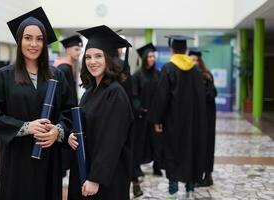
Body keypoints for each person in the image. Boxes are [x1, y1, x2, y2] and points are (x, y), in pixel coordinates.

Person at [0, 7, 73, 200]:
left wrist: (57, 131)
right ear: (19, 41)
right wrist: (26, 127)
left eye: (39, 38)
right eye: (28, 38)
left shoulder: (57, 76)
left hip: (48, 157)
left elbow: (69, 111)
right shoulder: (3, 76)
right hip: (17, 158)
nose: (34, 44)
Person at [67, 25, 134, 200]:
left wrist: (96, 178)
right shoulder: (90, 91)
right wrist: (72, 136)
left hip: (106, 177)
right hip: (85, 169)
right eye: (88, 57)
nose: (92, 61)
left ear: (109, 59)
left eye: (98, 56)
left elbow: (112, 141)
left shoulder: (115, 93)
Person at [148, 35, 207, 199]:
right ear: (186, 50)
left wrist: (157, 119)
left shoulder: (168, 68)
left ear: (172, 50)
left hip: (173, 122)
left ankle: (173, 190)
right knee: (191, 151)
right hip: (193, 122)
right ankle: (189, 187)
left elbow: (162, 97)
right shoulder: (195, 70)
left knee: (172, 152)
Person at [131, 43, 162, 197]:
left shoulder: (159, 74)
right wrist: (140, 109)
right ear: (144, 58)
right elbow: (134, 95)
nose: (151, 59)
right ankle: (137, 167)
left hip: (155, 115)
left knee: (156, 141)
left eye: (153, 56)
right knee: (140, 142)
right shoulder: (137, 75)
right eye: (149, 56)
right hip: (142, 115)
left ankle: (157, 166)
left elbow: (162, 94)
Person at [54, 34, 83, 178]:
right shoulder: (64, 68)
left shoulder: (67, 66)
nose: (79, 53)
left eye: (80, 50)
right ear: (68, 50)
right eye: (76, 49)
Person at [189, 49, 217, 187]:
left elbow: (212, 94)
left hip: (207, 116)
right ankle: (196, 175)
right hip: (194, 117)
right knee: (195, 145)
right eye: (192, 60)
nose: (194, 62)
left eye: (196, 60)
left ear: (200, 62)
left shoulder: (207, 76)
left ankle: (208, 175)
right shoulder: (187, 75)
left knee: (207, 144)